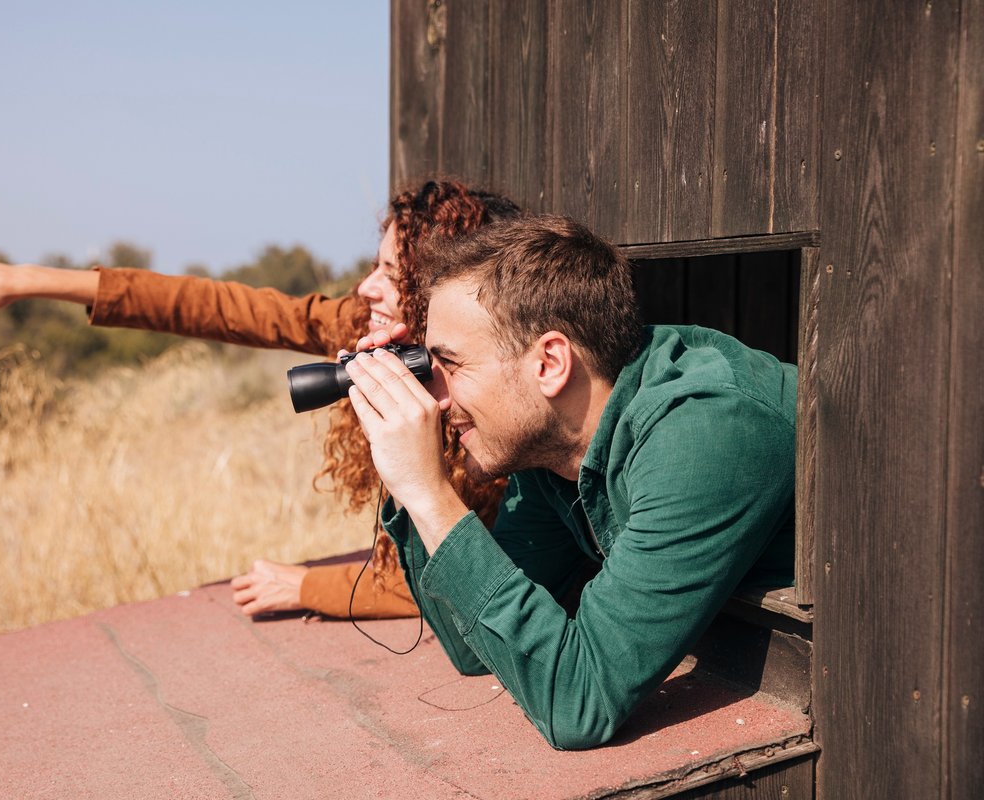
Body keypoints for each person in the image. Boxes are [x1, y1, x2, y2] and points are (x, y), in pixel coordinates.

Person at [0, 180, 517, 620]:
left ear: (437, 287)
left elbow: (432, 584)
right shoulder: (362, 330)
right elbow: (217, 307)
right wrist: (24, 282)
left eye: (390, 273)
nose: (365, 286)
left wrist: (304, 586)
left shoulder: (487, 407)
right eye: (371, 265)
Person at [341, 214, 796, 749]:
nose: (436, 397)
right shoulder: (554, 449)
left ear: (550, 363)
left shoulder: (706, 431)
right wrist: (404, 477)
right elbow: (474, 650)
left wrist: (428, 491)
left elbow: (579, 703)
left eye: (451, 364)